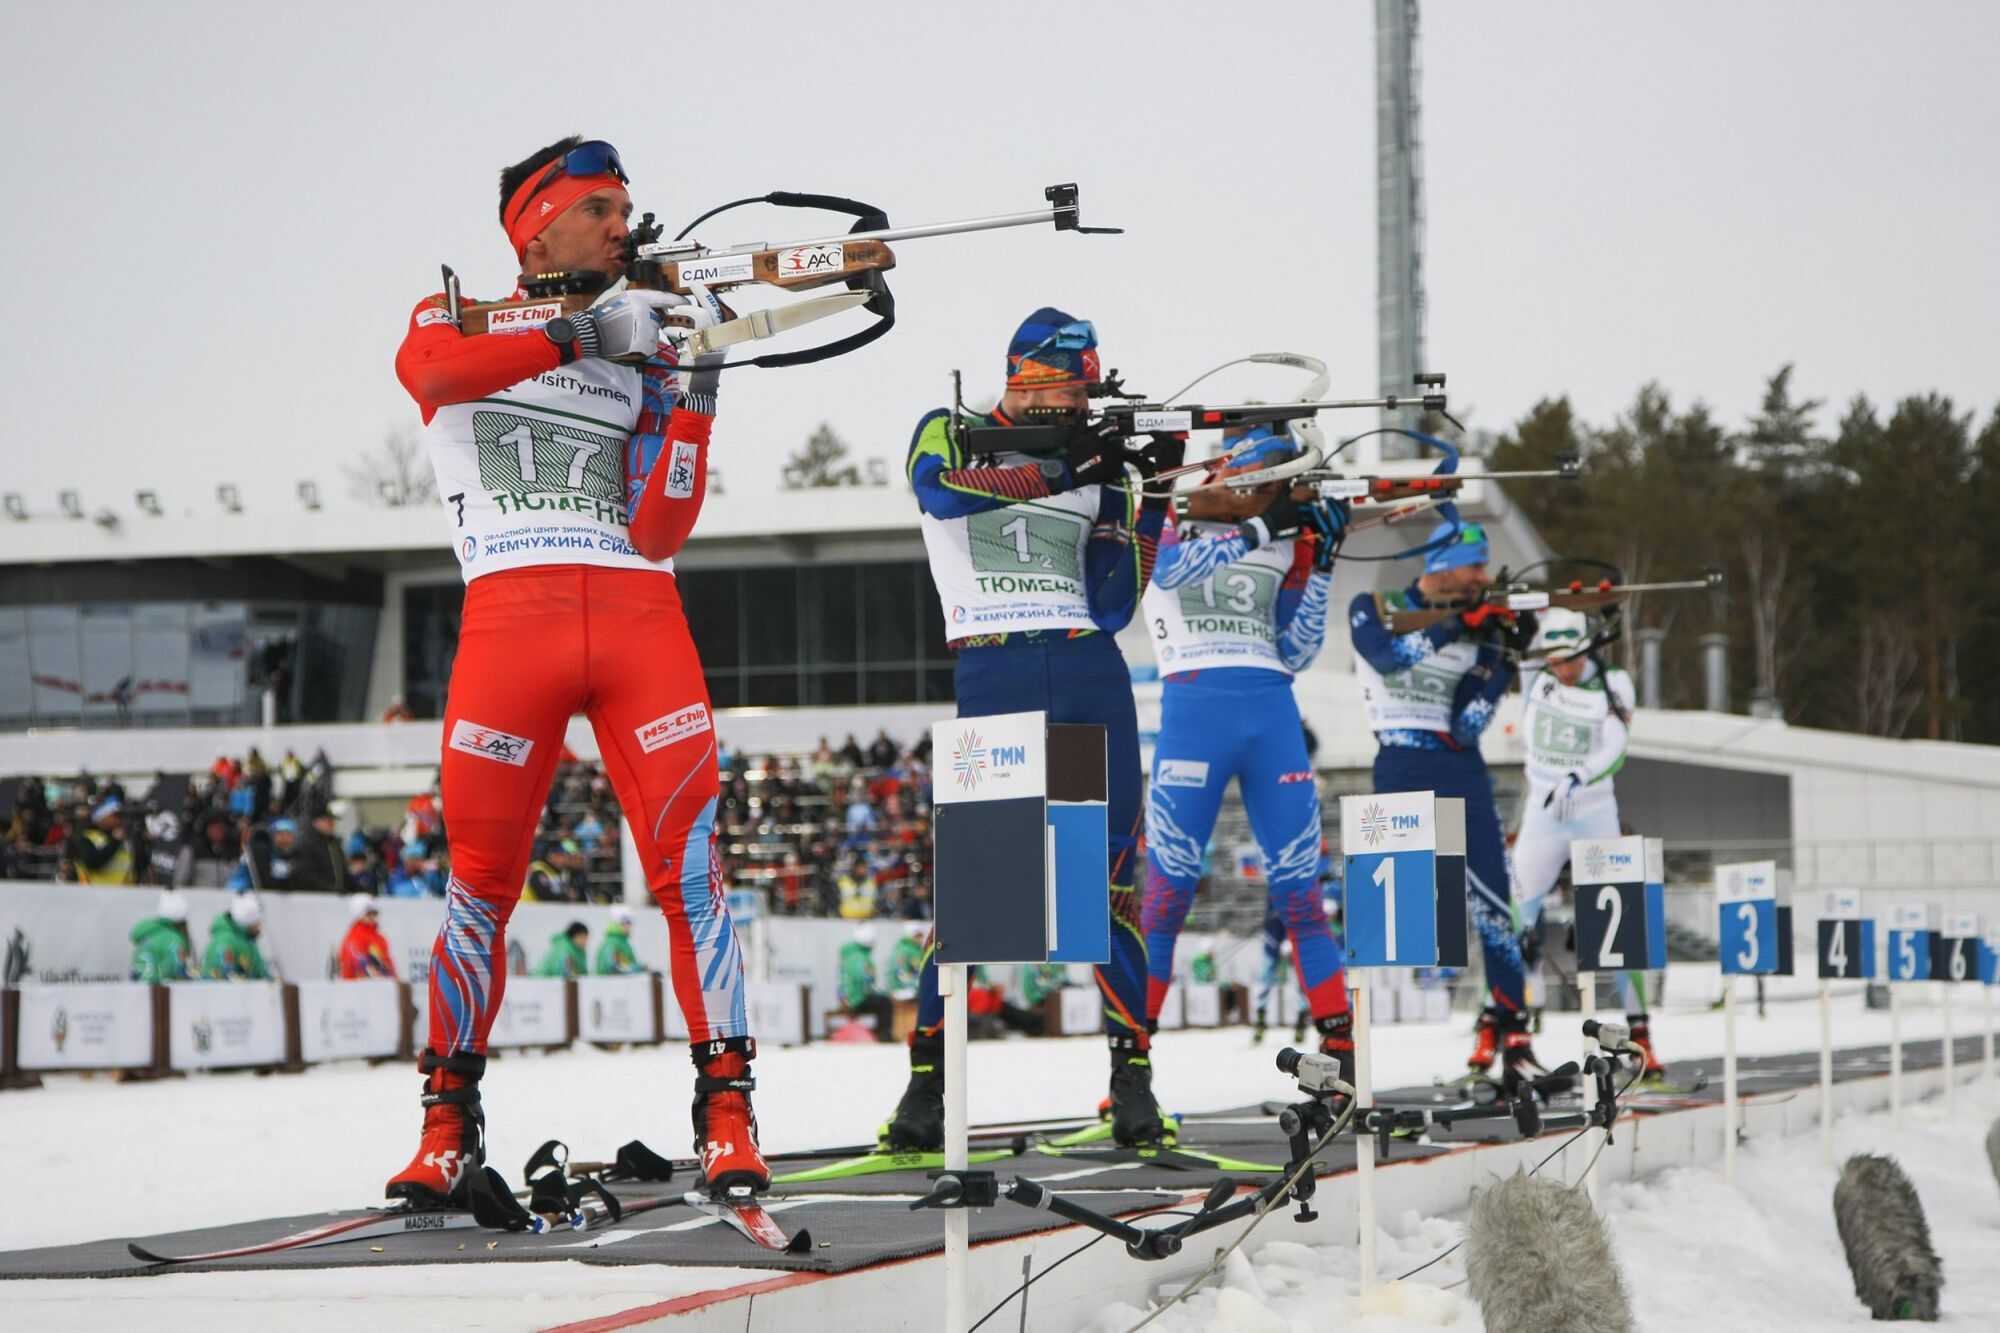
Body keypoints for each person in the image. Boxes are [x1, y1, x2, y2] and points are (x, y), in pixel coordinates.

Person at [386, 134, 765, 1208]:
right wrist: (579, 332)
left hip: (641, 619)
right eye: (600, 206)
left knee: (694, 877)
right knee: (477, 889)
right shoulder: (452, 316)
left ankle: (728, 1109)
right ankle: (447, 1125)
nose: (621, 225)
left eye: (625, 207)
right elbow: (434, 376)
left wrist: (691, 392)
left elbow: (660, 528)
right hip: (512, 621)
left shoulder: (643, 336)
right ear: (535, 225)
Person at [884, 308, 1179, 1150]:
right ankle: (925, 1086)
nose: (1086, 397)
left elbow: (1118, 601)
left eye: (1091, 384)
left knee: (1111, 887)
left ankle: (1132, 1079)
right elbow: (937, 492)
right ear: (1029, 374)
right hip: (994, 668)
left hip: (1087, 669)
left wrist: (1149, 490)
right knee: (975, 894)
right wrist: (1064, 471)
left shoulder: (1100, 462)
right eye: (1074, 383)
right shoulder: (949, 428)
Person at [1138, 428, 1356, 1081]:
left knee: (1301, 896)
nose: (1267, 496)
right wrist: (1264, 528)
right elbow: (1167, 570)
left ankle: (1342, 1050)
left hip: (1270, 710)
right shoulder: (1166, 509)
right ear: (1229, 475)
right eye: (1259, 482)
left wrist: (1320, 563)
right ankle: (1133, 1065)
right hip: (1193, 708)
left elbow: (1297, 650)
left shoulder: (1283, 536)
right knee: (1167, 895)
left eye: (1275, 487)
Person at [1348, 519, 1552, 1096]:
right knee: (1394, 919)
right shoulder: (1375, 604)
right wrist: (1460, 624)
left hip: (1458, 765)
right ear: (1440, 563)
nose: (1482, 578)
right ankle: (1345, 1050)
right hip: (1400, 763)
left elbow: (1466, 725)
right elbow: (1387, 659)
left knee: (1495, 907)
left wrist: (1503, 658)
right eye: (1474, 566)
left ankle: (1514, 1034)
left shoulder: (1480, 625)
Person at [1511, 609, 1664, 1076]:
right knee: (1515, 919)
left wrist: (1578, 776)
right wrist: (1524, 612)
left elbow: (1616, 745)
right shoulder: (1536, 673)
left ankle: (1641, 1037)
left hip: (1595, 812)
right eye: (1555, 659)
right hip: (1542, 815)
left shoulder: (1613, 681)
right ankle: (1505, 1032)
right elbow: (1518, 635)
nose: (1564, 668)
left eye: (1572, 659)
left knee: (1621, 929)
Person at [838, 924, 897, 1043]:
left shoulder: (852, 954)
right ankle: (884, 1034)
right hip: (856, 997)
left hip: (851, 996)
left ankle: (880, 1032)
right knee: (885, 1003)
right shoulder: (859, 957)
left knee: (881, 1000)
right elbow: (862, 979)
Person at [130, 891, 194, 982]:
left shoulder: (148, 935)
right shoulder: (173, 939)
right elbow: (179, 970)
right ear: (182, 923)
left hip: (136, 988)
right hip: (157, 990)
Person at [68, 797, 134, 885]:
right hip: (94, 893)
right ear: (102, 817)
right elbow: (93, 863)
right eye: (114, 815)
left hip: (124, 893)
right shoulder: (85, 837)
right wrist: (115, 841)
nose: (119, 819)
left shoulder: (124, 838)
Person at [205, 894, 271, 980]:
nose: (260, 925)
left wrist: (270, 981)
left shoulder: (248, 941)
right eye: (258, 920)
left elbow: (259, 971)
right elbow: (221, 979)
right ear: (248, 921)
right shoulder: (224, 942)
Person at [340, 895, 397, 979]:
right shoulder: (353, 937)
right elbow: (358, 964)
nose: (372, 916)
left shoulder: (380, 938)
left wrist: (393, 981)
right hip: (357, 988)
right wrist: (380, 978)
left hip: (380, 986)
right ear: (358, 915)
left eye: (375, 913)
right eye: (368, 913)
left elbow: (388, 964)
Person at [595, 904, 646, 974]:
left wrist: (639, 968)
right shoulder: (610, 944)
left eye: (630, 923)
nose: (629, 926)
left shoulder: (626, 945)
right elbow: (613, 968)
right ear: (616, 923)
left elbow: (631, 963)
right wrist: (639, 968)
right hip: (608, 984)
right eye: (626, 922)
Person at [887, 921, 927, 996]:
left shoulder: (917, 949)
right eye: (917, 936)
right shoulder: (903, 951)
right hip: (901, 989)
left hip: (915, 986)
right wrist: (917, 983)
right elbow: (900, 974)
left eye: (921, 936)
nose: (920, 939)